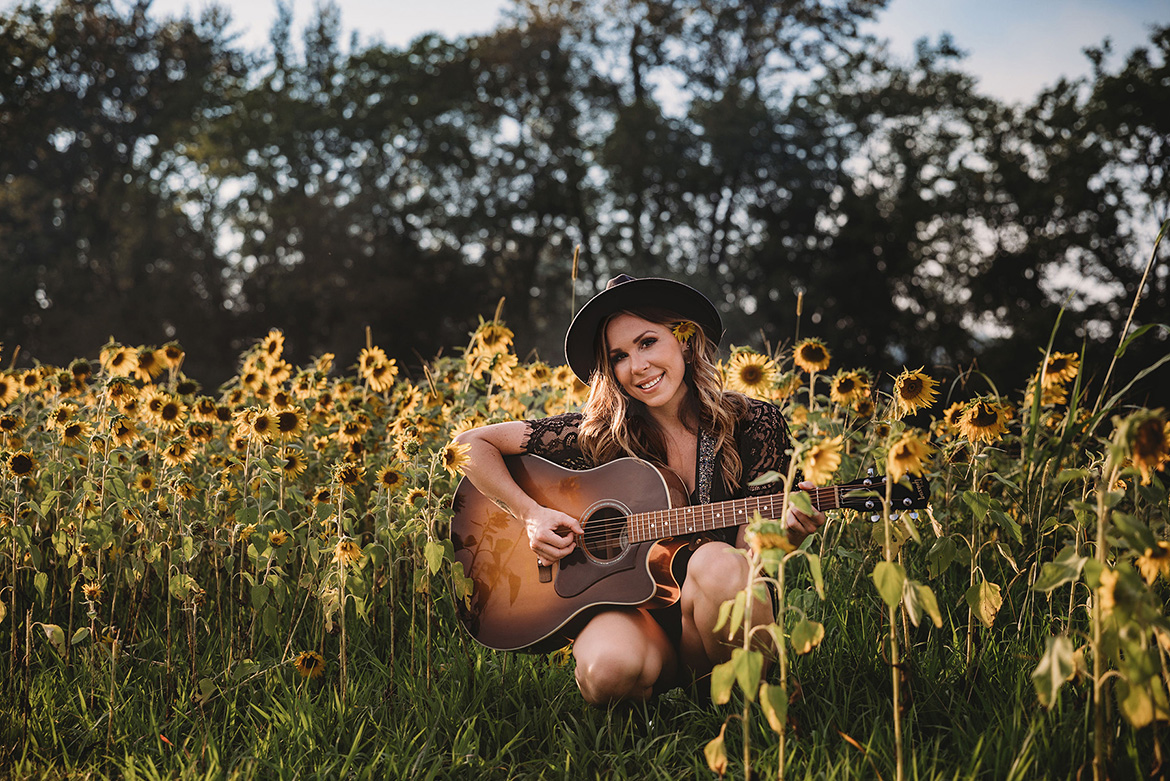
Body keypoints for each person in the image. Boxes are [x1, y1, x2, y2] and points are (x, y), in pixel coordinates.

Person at [455, 275, 826, 704]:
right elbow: (470, 445)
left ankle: (742, 708)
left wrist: (786, 538)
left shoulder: (751, 422)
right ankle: (650, 720)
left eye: (648, 342)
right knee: (607, 671)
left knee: (718, 562)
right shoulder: (598, 434)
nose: (637, 366)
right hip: (636, 617)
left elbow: (750, 564)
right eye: (619, 356)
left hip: (716, 612)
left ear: (685, 340)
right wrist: (531, 514)